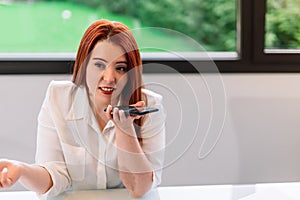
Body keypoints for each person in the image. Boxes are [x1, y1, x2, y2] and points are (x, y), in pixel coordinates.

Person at [0, 19, 166, 198]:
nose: (109, 78)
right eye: (99, 65)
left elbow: (139, 188)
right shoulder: (58, 98)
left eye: (120, 68)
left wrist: (125, 130)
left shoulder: (150, 106)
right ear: (84, 65)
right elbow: (54, 176)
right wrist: (22, 170)